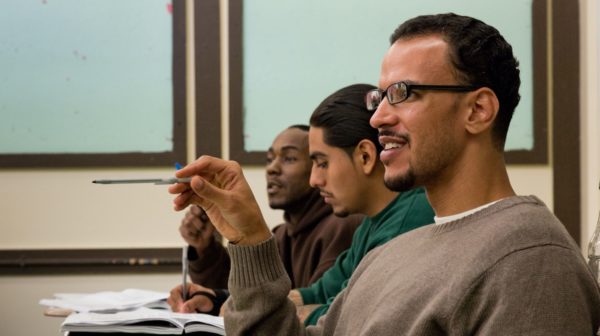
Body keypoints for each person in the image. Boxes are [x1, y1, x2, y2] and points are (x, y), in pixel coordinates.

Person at [169, 13, 600, 335]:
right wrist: (249, 238)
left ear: (478, 110)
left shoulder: (531, 265)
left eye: (403, 94)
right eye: (380, 96)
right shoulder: (390, 254)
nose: (377, 119)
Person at [168, 125, 363, 313]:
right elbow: (250, 291)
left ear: (318, 166)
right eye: (269, 159)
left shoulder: (343, 226)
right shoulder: (282, 233)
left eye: (289, 158)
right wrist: (205, 251)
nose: (272, 168)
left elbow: (315, 308)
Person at [290, 83, 434, 325]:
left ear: (365, 156)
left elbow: (346, 318)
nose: (314, 180)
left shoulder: (406, 224)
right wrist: (220, 299)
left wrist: (298, 315)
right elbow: (320, 294)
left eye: (322, 163)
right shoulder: (373, 222)